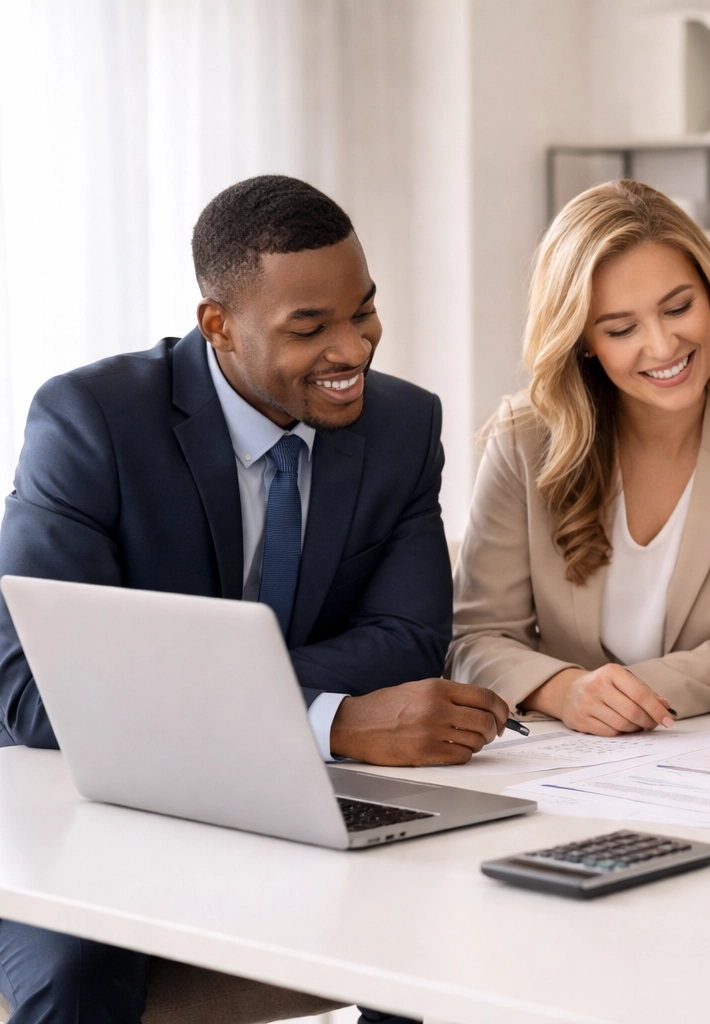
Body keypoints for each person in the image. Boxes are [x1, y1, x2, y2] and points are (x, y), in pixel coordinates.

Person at [0, 175, 503, 1023]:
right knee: (79, 971)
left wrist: (176, 689)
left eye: (364, 311)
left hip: (288, 795)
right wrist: (330, 717)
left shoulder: (404, 426)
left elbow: (409, 641)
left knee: (441, 910)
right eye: (310, 327)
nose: (354, 350)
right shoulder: (91, 419)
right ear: (219, 326)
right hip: (82, 800)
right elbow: (41, 696)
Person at [448, 180, 710, 734]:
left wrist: (616, 697)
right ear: (582, 339)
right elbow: (478, 636)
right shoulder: (523, 437)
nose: (662, 346)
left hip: (707, 749)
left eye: (678, 307)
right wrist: (563, 691)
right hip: (561, 753)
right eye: (622, 328)